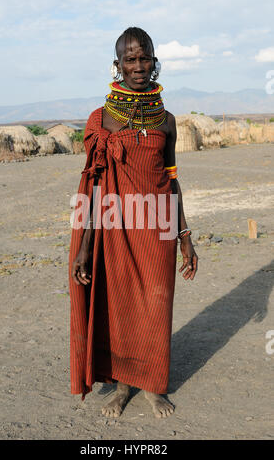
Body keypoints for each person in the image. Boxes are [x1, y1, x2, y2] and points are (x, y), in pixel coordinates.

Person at [69, 27, 198, 419]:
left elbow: (172, 179)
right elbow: (94, 185)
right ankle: (124, 386)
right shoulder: (103, 119)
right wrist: (86, 248)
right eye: (130, 59)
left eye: (145, 58)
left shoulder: (168, 121)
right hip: (115, 228)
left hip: (158, 227)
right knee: (121, 308)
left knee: (157, 306)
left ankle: (154, 387)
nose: (138, 66)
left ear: (155, 62)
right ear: (118, 64)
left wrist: (185, 236)